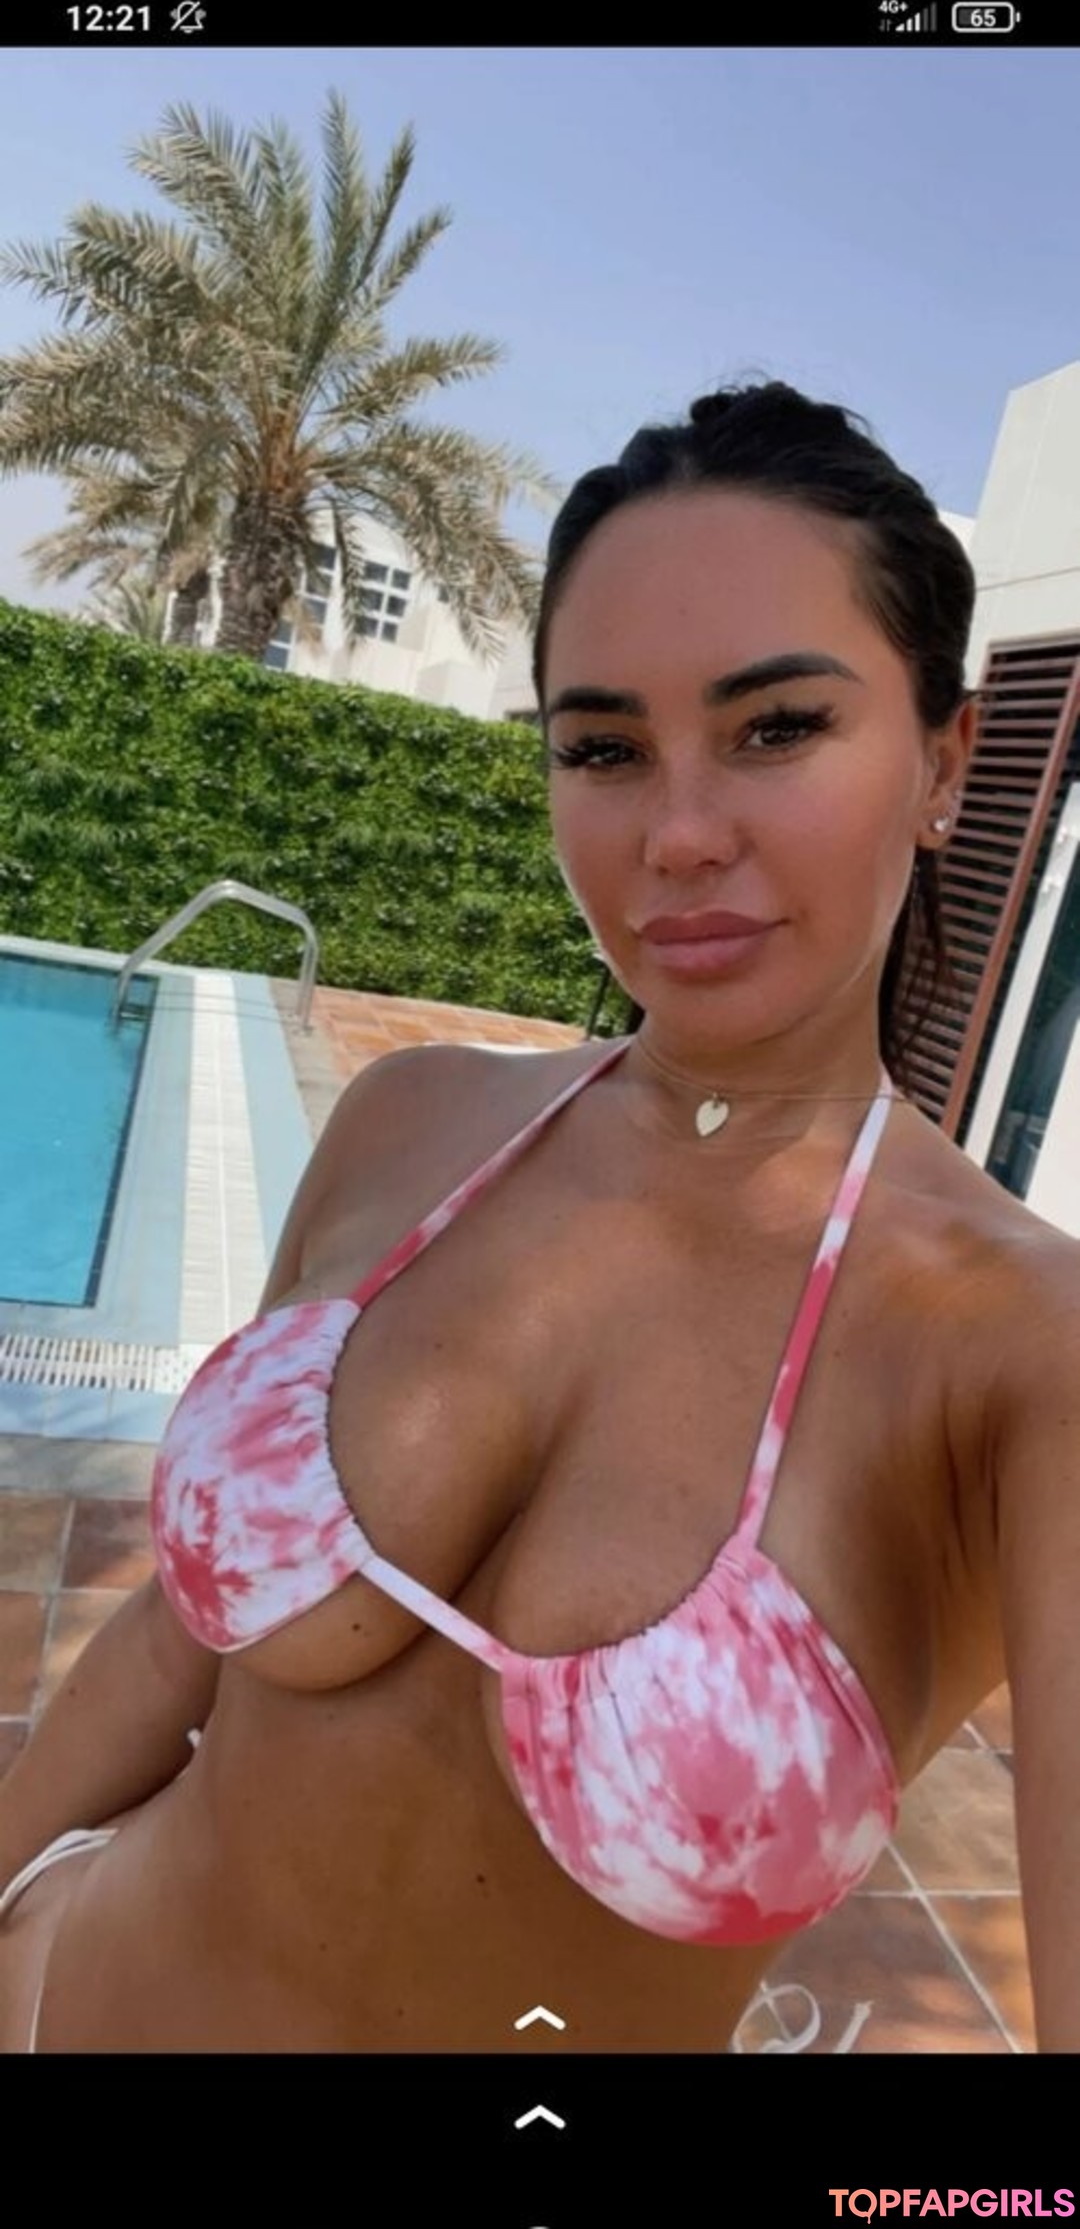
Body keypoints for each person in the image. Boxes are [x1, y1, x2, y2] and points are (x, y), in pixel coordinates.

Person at [1, 377, 1078, 2054]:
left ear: (945, 761)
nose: (680, 834)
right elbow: (172, 1647)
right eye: (604, 749)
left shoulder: (1015, 1356)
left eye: (777, 729)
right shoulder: (408, 1124)